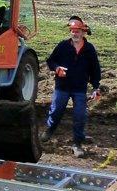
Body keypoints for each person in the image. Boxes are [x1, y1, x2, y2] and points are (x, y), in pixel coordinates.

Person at [44, 17, 103, 157]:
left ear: (83, 32)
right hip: (62, 86)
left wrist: (96, 87)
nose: (74, 34)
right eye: (72, 31)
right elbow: (51, 61)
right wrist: (57, 68)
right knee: (56, 110)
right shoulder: (63, 46)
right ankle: (49, 131)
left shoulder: (89, 49)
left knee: (80, 115)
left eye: (77, 31)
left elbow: (95, 69)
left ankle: (77, 144)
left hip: (79, 88)